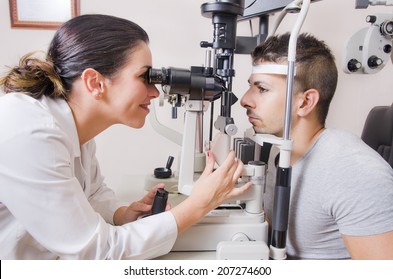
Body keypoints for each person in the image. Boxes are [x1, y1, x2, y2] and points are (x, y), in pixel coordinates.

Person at [0, 14, 251, 260]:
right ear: (95, 83)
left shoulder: (73, 128)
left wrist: (122, 214)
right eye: (144, 77)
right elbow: (98, 253)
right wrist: (199, 204)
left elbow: (93, 193)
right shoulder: (31, 131)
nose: (154, 92)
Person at [240, 32, 393, 259]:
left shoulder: (353, 173)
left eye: (262, 89)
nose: (244, 99)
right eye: (251, 87)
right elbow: (275, 235)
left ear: (305, 102)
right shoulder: (278, 150)